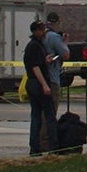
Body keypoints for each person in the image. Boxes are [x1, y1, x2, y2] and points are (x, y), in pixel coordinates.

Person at [24, 19, 56, 156]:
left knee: (36, 115)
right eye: (42, 30)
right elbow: (35, 67)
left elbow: (36, 62)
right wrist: (44, 85)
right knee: (49, 116)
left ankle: (35, 147)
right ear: (36, 31)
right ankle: (54, 146)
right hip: (38, 84)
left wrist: (46, 60)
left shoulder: (34, 45)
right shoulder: (35, 46)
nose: (44, 32)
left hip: (32, 84)